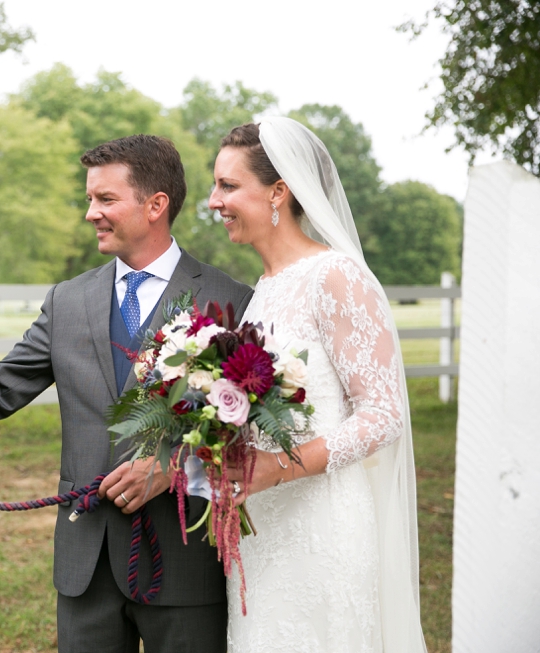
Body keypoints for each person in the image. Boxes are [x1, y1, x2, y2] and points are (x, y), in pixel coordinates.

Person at [0, 134, 253, 652]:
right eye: (89, 199)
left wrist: (171, 464)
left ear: (156, 206)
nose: (91, 213)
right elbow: (0, 386)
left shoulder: (230, 301)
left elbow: (245, 433)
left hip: (183, 561)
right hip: (86, 564)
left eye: (105, 199)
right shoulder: (69, 300)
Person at [207, 118, 427, 652]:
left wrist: (276, 468)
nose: (214, 201)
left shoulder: (336, 276)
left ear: (278, 191)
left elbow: (383, 414)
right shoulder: (263, 289)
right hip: (265, 531)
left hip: (322, 525)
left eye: (228, 186)